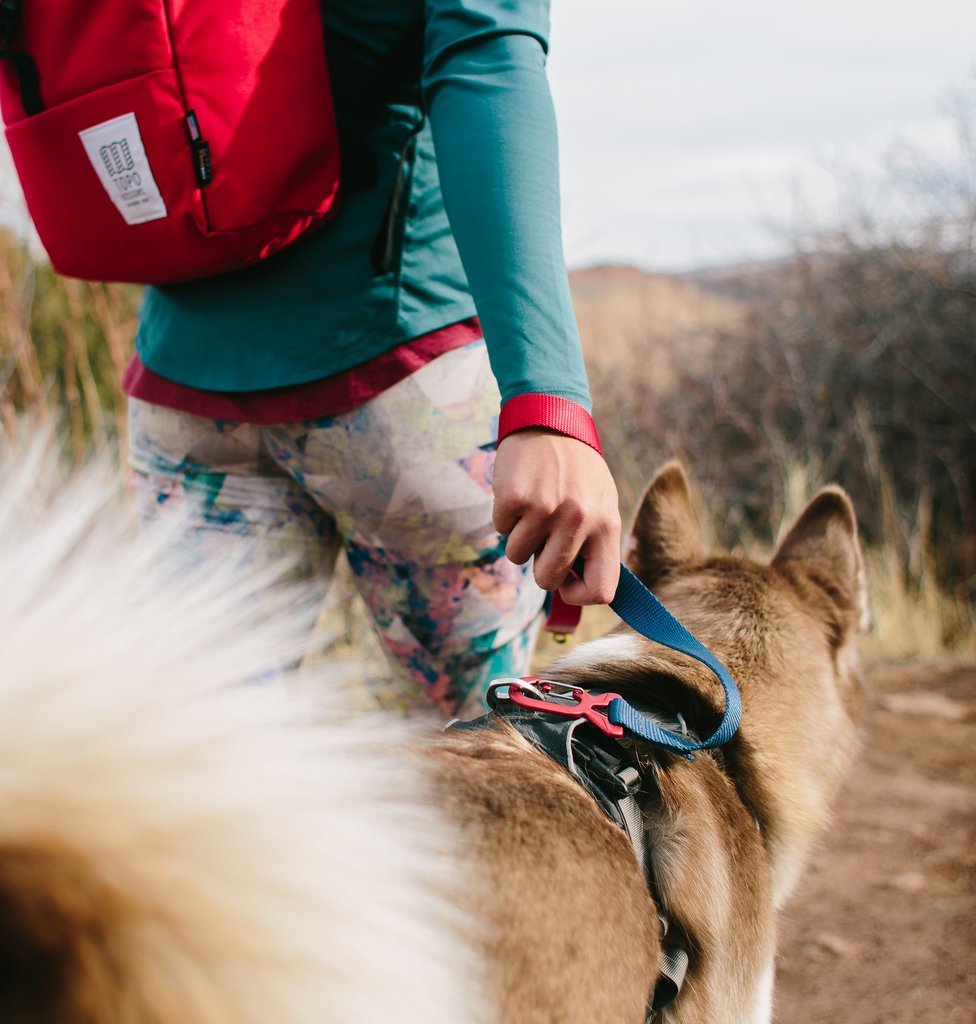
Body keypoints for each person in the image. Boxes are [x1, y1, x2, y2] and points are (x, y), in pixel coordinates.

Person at [122, 0, 620, 718]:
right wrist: (546, 396)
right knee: (477, 778)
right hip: (405, 387)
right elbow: (486, 55)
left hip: (183, 392)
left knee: (200, 783)